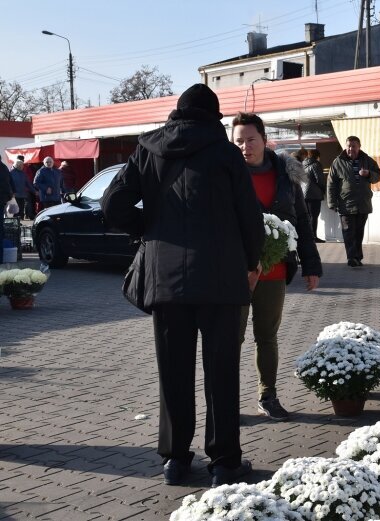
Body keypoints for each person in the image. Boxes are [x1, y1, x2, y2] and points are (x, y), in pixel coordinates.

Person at [102, 84, 264, 488]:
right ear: (214, 116)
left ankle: (175, 460)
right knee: (221, 371)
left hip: (166, 279)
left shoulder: (148, 150)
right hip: (222, 279)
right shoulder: (226, 153)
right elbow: (249, 216)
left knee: (173, 370)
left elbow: (111, 205)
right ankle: (224, 462)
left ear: (177, 113)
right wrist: (252, 261)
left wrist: (149, 231)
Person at [232, 112, 323, 421]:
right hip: (237, 273)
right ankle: (226, 398)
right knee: (231, 338)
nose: (245, 147)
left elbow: (302, 221)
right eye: (239, 141)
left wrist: (312, 264)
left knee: (267, 337)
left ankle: (267, 395)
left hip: (275, 272)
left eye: (251, 139)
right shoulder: (228, 175)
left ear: (264, 139)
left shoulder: (285, 175)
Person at [327, 136, 380, 267]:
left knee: (358, 232)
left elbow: (378, 175)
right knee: (348, 232)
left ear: (359, 147)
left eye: (353, 146)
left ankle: (357, 257)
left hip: (363, 203)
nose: (350, 148)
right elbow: (331, 183)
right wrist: (332, 203)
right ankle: (351, 257)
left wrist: (369, 174)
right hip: (346, 204)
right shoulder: (338, 162)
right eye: (348, 146)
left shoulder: (367, 160)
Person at [302, 149, 326, 242]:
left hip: (304, 194)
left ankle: (307, 237)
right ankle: (313, 237)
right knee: (314, 216)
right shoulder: (316, 164)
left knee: (307, 216)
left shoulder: (303, 164)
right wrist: (323, 190)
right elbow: (320, 180)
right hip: (314, 194)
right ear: (317, 156)